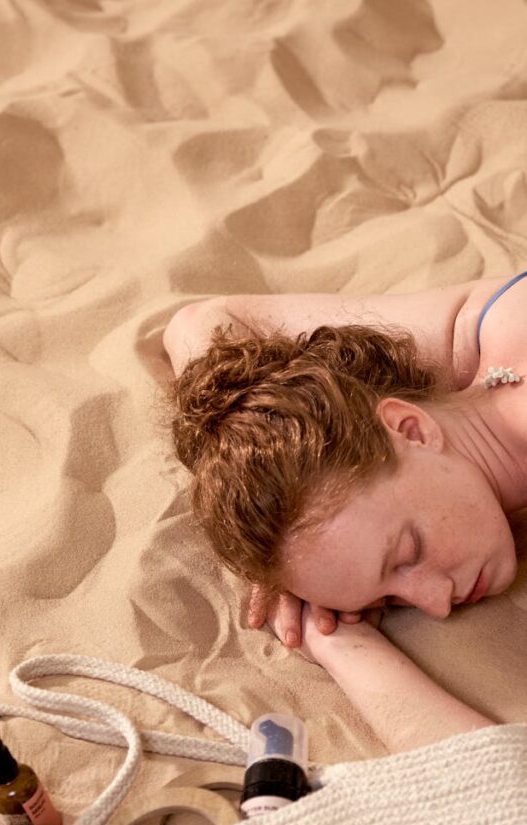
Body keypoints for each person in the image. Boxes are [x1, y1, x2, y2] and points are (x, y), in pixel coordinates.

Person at [163, 273, 527, 753]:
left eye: (409, 552)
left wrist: (348, 653)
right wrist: (249, 482)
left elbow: (491, 787)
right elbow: (196, 322)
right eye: (389, 602)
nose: (437, 602)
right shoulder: (492, 324)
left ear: (411, 430)